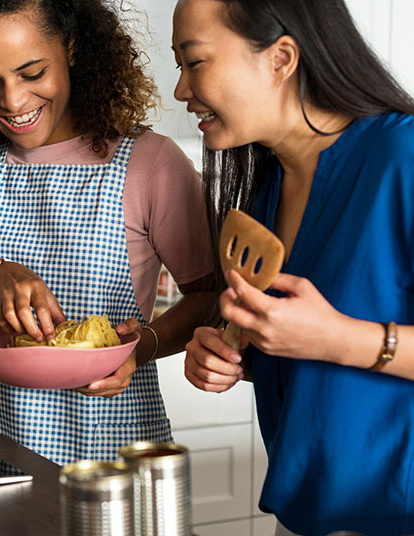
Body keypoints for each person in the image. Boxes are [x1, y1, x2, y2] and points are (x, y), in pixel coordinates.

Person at [0, 0, 216, 475]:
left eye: (32, 73)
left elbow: (210, 297)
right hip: (2, 448)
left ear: (70, 47)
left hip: (115, 450)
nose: (12, 100)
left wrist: (143, 346)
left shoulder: (151, 163)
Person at [172, 0, 414, 534]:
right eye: (179, 67)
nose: (181, 91)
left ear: (280, 58)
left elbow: (334, 340)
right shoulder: (266, 191)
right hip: (302, 517)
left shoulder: (404, 156)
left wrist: (340, 339)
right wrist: (236, 354)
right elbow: (306, 362)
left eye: (195, 63)